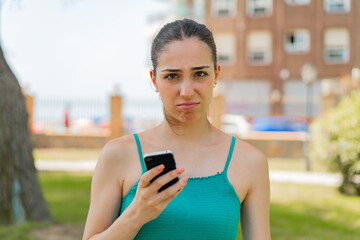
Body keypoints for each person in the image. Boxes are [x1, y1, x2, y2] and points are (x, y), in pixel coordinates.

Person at [82, 18, 270, 240]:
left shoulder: (250, 162)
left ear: (216, 74)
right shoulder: (118, 155)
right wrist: (136, 215)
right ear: (154, 80)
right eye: (172, 76)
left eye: (199, 74)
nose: (186, 90)